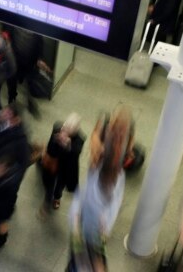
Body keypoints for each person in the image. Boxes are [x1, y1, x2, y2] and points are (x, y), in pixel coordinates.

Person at [66, 107, 131, 271]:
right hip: (85, 226)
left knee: (90, 261)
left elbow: (115, 202)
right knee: (83, 262)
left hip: (94, 230)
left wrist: (105, 223)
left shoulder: (117, 176)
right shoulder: (97, 167)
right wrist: (75, 221)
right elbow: (82, 194)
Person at [39, 113, 85, 218]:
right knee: (49, 183)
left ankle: (57, 197)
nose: (64, 131)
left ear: (74, 132)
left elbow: (76, 153)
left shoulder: (79, 139)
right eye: (64, 127)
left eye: (68, 130)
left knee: (60, 184)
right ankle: (47, 201)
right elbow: (50, 149)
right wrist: (56, 141)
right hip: (53, 162)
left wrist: (68, 145)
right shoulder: (57, 128)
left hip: (65, 167)